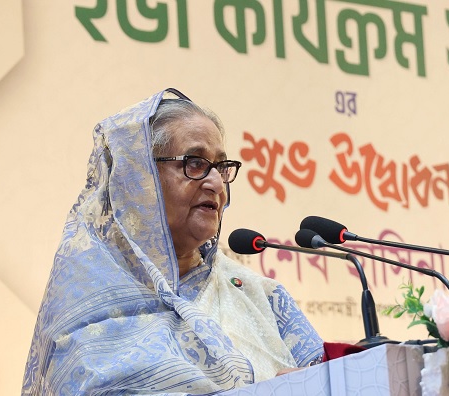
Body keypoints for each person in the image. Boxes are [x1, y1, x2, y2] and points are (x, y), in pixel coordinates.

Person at [22, 88, 324, 395]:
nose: (217, 183)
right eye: (195, 163)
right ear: (138, 178)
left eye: (221, 166)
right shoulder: (87, 306)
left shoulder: (259, 294)